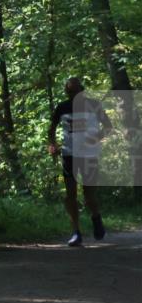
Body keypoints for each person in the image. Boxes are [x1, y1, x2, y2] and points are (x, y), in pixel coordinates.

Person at [48, 76, 112, 247]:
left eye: (75, 91)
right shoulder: (62, 107)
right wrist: (52, 145)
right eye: (70, 91)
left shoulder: (94, 105)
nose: (73, 94)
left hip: (89, 155)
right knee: (70, 194)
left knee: (89, 194)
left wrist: (95, 139)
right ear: (66, 92)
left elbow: (108, 127)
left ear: (82, 90)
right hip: (69, 155)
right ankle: (76, 232)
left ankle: (96, 218)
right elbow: (51, 129)